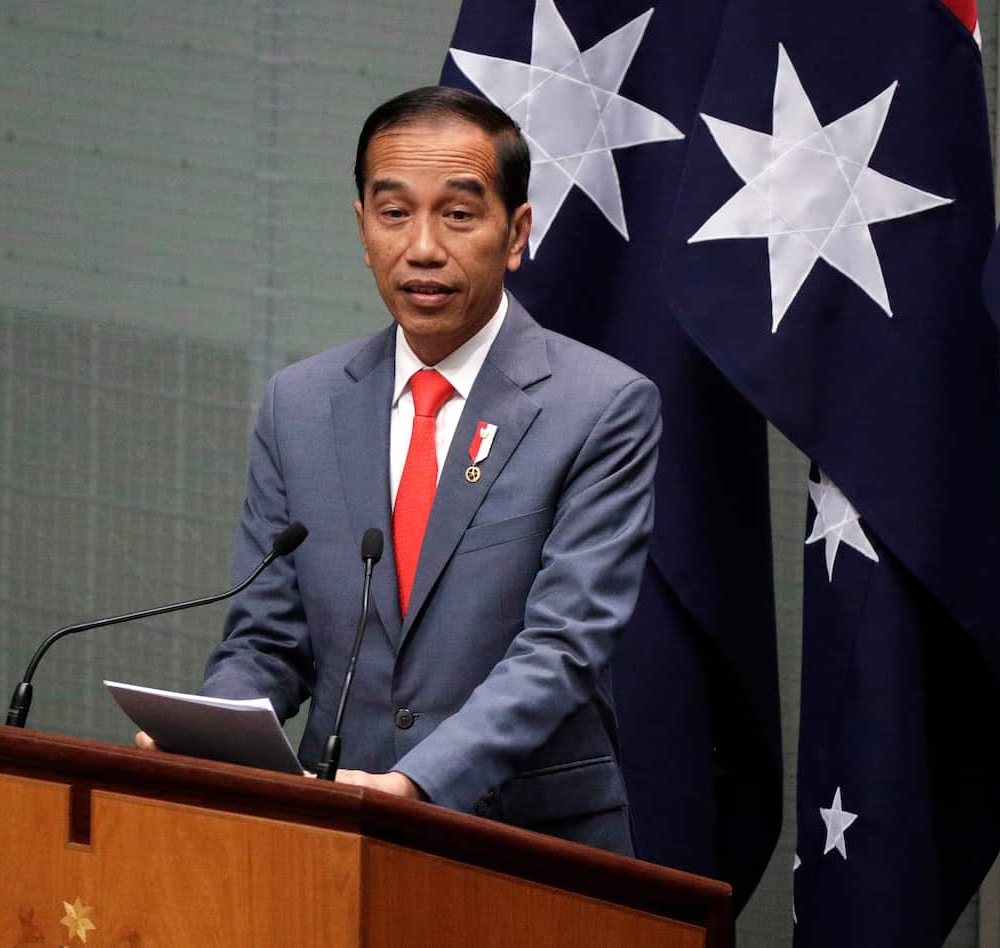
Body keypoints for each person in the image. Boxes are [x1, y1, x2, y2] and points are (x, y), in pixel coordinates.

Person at [138, 87, 660, 855]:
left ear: (516, 233)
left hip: (527, 849)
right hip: (335, 839)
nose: (422, 247)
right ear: (363, 229)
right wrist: (211, 739)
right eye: (394, 213)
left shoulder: (602, 407)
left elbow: (562, 647)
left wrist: (416, 784)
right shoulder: (300, 405)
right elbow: (267, 641)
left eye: (458, 214)